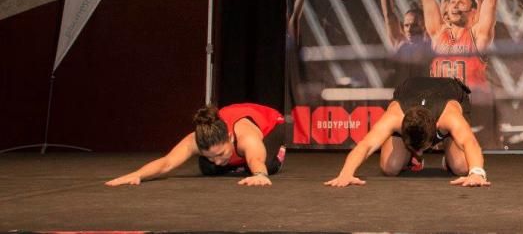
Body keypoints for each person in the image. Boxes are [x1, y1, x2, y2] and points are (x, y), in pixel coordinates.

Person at [324, 76, 490, 187]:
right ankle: (409, 159)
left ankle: (449, 150)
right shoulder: (395, 116)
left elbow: (470, 142)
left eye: (421, 149)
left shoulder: (449, 116)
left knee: (462, 167)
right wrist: (346, 174)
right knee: (390, 168)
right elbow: (366, 145)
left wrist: (477, 173)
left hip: (448, 92)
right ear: (402, 128)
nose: (419, 152)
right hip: (410, 89)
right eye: (414, 149)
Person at [105, 103, 286, 187]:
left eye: (221, 153)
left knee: (267, 165)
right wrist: (138, 175)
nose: (216, 160)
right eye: (210, 155)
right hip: (236, 142)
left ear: (230, 137)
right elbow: (167, 162)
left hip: (271, 124)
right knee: (208, 168)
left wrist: (260, 175)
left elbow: (255, 158)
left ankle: (278, 153)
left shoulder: (245, 135)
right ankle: (237, 164)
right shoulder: (196, 139)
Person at [417, 0, 507, 88]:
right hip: (442, 106)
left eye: (461, 3)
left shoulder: (477, 36)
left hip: (468, 106)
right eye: (452, 2)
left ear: (473, 12)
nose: (455, 6)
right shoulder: (439, 33)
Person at [380, 0, 433, 83]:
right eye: (406, 25)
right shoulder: (400, 42)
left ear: (424, 26)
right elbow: (388, 13)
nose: (409, 29)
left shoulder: (431, 42)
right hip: (402, 94)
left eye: (414, 25)